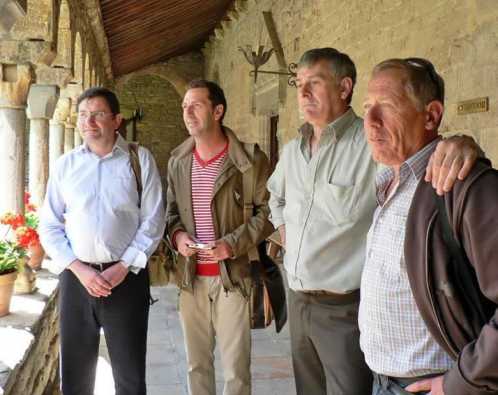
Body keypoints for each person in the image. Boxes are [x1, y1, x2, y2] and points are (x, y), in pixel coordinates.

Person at [267, 48, 481, 395]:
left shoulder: (371, 144)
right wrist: (286, 232)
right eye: (299, 84)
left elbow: (427, 156)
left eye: (314, 83)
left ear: (344, 87)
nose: (303, 94)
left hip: (344, 309)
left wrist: (462, 144)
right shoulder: (294, 150)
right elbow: (274, 195)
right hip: (299, 298)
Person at [359, 57, 497, 395]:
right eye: (366, 107)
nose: (370, 121)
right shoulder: (390, 183)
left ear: (431, 115)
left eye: (387, 106)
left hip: (438, 385)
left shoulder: (462, 184)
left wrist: (461, 383)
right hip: (383, 382)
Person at [39, 87, 165, 395]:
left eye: (97, 115)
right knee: (75, 375)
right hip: (76, 279)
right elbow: (49, 224)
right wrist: (80, 269)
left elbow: (154, 220)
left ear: (116, 120)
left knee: (130, 374)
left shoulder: (139, 160)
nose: (88, 122)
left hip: (126, 280)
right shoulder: (65, 165)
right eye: (83, 115)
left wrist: (123, 267)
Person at [166, 79, 274, 395]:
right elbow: (170, 212)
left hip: (234, 279)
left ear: (218, 110)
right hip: (191, 278)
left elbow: (268, 214)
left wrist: (233, 244)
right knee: (196, 366)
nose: (187, 112)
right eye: (184, 106)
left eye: (196, 105)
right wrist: (178, 236)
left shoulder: (250, 161)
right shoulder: (178, 162)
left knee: (236, 372)